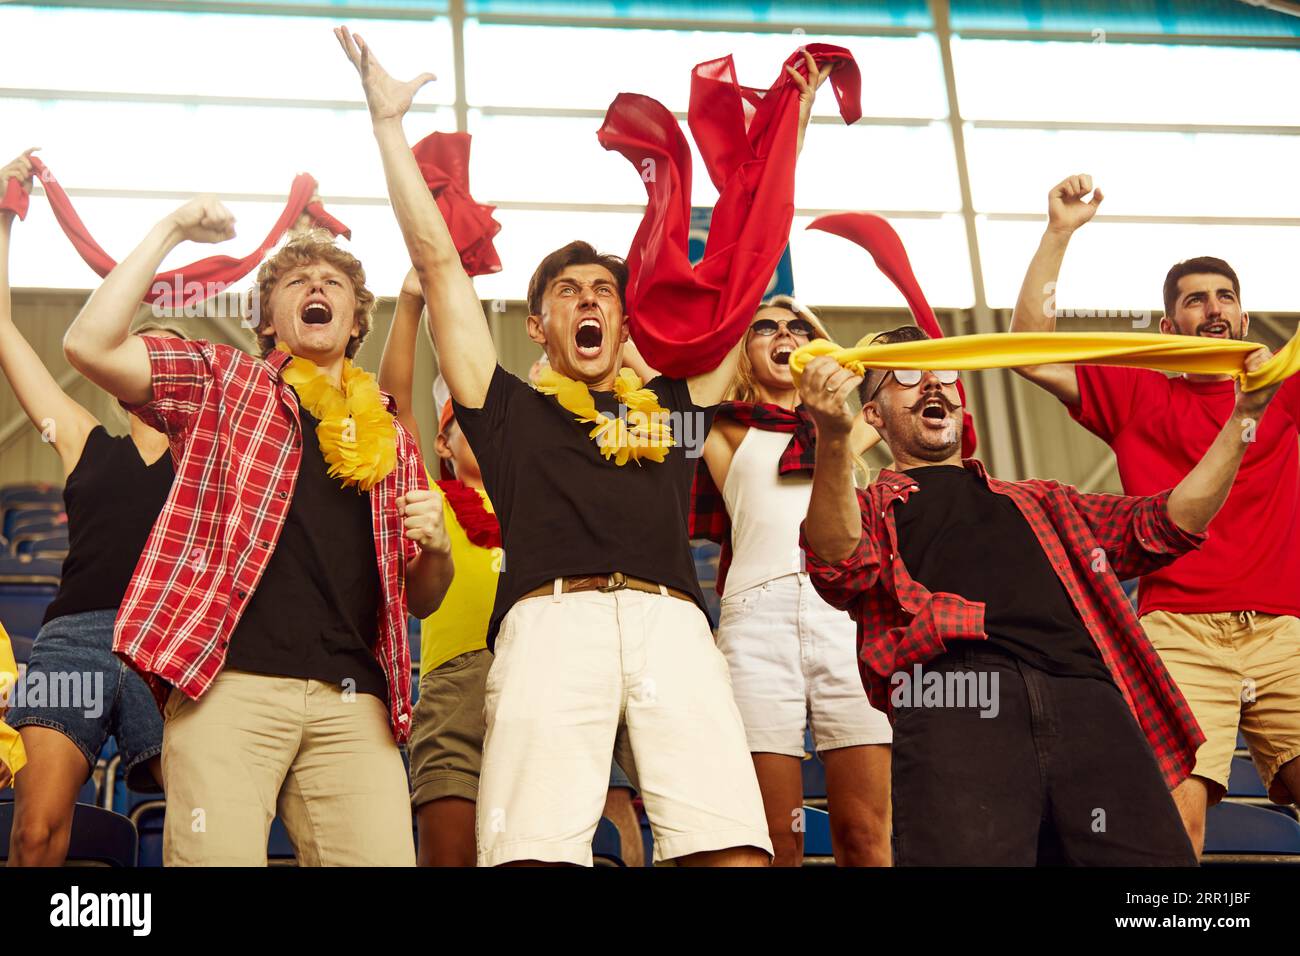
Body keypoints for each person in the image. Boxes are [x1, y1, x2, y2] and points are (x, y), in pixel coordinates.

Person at [338, 26, 832, 865]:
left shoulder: (677, 409)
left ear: (626, 321)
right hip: (547, 624)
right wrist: (389, 126)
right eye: (567, 292)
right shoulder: (504, 411)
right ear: (540, 326)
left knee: (735, 850)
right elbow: (438, 263)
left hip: (675, 624)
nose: (587, 300)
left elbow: (749, 262)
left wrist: (794, 119)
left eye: (603, 289)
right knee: (532, 853)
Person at [796, 323, 1286, 865]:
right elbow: (838, 562)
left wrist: (1247, 414)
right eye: (907, 376)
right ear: (874, 415)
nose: (933, 384)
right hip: (957, 694)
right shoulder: (868, 506)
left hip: (1087, 696)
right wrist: (834, 440)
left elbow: (1169, 521)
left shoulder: (1045, 501)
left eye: (948, 374)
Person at [61, 199, 453, 865]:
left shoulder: (389, 432)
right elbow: (88, 345)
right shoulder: (223, 380)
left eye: (334, 283)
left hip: (356, 704)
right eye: (296, 283)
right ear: (268, 321)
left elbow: (423, 597)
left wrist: (438, 550)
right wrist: (172, 231)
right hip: (228, 690)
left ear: (358, 321)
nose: (317, 288)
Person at [1008, 175, 1300, 855]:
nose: (1214, 309)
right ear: (1170, 328)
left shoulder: (1281, 394)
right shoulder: (1138, 394)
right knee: (1176, 822)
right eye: (1195, 301)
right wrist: (1060, 231)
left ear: (1246, 319)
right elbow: (1027, 346)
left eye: (1225, 297)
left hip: (1284, 630)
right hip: (1178, 633)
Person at [381, 271, 646, 867]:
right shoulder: (429, 498)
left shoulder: (548, 487)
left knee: (593, 839)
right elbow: (394, 406)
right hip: (458, 681)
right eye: (459, 424)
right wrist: (410, 302)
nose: (477, 429)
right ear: (443, 443)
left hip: (560, 666)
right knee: (450, 847)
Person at [0, 150, 181, 865]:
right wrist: (6, 218)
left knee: (205, 820)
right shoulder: (82, 439)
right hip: (74, 640)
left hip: (168, 643)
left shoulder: (212, 461)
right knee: (36, 831)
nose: (161, 369)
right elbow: (4, 333)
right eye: (145, 353)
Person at [694, 296, 892, 866]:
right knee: (777, 839)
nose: (783, 334)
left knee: (865, 835)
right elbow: (654, 373)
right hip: (755, 627)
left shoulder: (851, 430)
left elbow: (928, 392)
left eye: (798, 326)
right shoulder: (722, 427)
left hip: (848, 617)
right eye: (764, 328)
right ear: (745, 350)